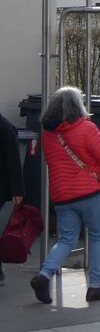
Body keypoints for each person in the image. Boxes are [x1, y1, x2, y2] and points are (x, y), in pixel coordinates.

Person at [29, 86, 100, 305]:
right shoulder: (86, 127)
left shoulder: (48, 133)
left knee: (66, 239)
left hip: (62, 196)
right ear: (77, 105)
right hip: (89, 192)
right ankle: (95, 287)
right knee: (98, 236)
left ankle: (44, 275)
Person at [0, 109, 26, 286]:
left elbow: (13, 161)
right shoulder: (6, 128)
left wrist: (18, 190)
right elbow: (13, 161)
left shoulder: (5, 128)